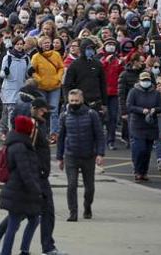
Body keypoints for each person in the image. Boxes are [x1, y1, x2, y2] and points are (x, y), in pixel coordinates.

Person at [0, 115, 41, 255]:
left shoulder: (15, 143)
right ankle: (11, 251)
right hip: (19, 191)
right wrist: (37, 191)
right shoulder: (21, 147)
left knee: (30, 220)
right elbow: (25, 172)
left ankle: (20, 250)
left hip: (15, 191)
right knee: (17, 224)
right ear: (27, 130)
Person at [57, 88, 104, 220]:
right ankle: (73, 213)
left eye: (76, 100)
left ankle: (87, 206)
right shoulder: (64, 116)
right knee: (71, 184)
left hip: (88, 155)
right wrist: (59, 158)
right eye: (72, 101)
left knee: (89, 187)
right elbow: (61, 137)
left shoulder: (91, 114)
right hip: (71, 155)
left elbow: (99, 135)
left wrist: (100, 153)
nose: (74, 103)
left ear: (82, 100)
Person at [125, 71, 161, 181]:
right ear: (139, 81)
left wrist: (155, 109)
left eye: (147, 80)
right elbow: (129, 106)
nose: (146, 82)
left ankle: (144, 172)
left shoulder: (156, 93)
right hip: (137, 124)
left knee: (147, 151)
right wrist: (141, 110)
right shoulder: (133, 92)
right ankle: (137, 170)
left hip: (151, 124)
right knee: (139, 149)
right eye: (143, 80)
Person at [31, 35, 65, 136]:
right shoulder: (36, 57)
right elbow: (32, 71)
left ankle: (53, 133)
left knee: (54, 111)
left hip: (55, 87)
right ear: (40, 45)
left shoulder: (56, 55)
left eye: (48, 42)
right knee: (43, 111)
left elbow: (61, 67)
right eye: (44, 43)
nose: (47, 44)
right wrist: (38, 79)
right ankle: (43, 133)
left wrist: (58, 77)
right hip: (41, 87)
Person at [62, 39, 106, 115]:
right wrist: (68, 101)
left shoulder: (98, 64)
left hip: (96, 101)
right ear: (82, 49)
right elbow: (67, 85)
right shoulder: (74, 65)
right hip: (79, 102)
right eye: (88, 49)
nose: (90, 51)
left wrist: (105, 103)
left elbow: (103, 84)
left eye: (92, 49)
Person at [0, 37, 30, 135]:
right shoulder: (7, 58)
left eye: (21, 44)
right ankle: (11, 134)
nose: (20, 46)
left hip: (21, 88)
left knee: (19, 112)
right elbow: (2, 74)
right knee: (10, 112)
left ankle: (18, 132)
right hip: (9, 89)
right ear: (14, 45)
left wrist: (31, 72)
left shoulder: (26, 58)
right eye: (17, 44)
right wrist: (5, 72)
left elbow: (28, 73)